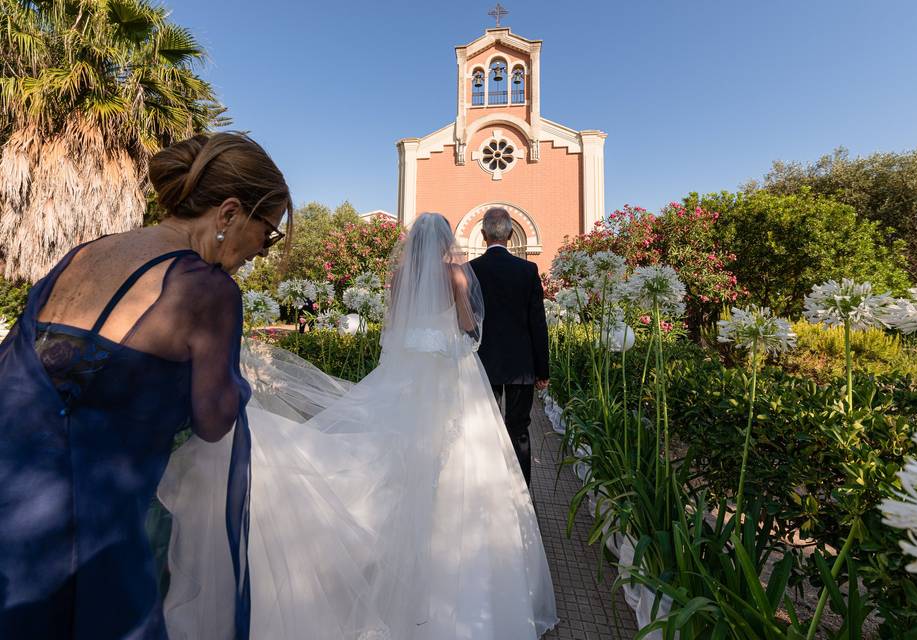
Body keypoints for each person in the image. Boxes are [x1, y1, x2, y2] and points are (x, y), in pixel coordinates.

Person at [160, 213, 558, 639]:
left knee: (396, 461)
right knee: (468, 463)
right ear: (445, 240)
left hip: (406, 374)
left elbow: (396, 326)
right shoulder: (457, 275)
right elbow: (466, 326)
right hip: (449, 377)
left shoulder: (401, 277)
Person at [0, 132, 292, 639]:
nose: (261, 253)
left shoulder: (83, 254)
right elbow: (214, 420)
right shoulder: (205, 289)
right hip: (86, 535)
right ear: (228, 213)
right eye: (267, 235)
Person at [468, 208, 550, 487]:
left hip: (483, 364)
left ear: (483, 235)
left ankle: (487, 488)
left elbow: (468, 322)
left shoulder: (471, 270)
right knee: (519, 430)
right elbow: (537, 323)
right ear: (511, 234)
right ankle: (521, 490)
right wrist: (542, 370)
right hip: (521, 367)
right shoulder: (528, 270)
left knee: (483, 430)